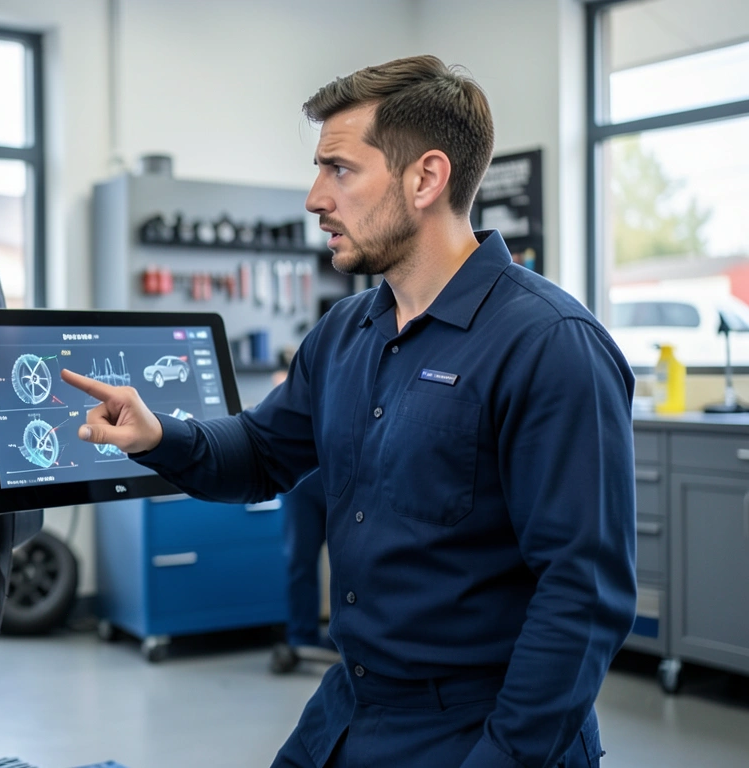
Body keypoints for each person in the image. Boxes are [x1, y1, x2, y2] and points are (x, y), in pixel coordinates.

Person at [62, 55, 636, 768]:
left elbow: (583, 595)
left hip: (479, 729)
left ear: (426, 179)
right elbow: (263, 452)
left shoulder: (550, 345)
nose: (314, 199)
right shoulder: (345, 333)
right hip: (350, 709)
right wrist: (158, 436)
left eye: (339, 170)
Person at [270, 469, 339, 674]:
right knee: (300, 561)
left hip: (345, 479)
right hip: (301, 482)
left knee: (350, 562)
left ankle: (346, 635)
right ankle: (301, 639)